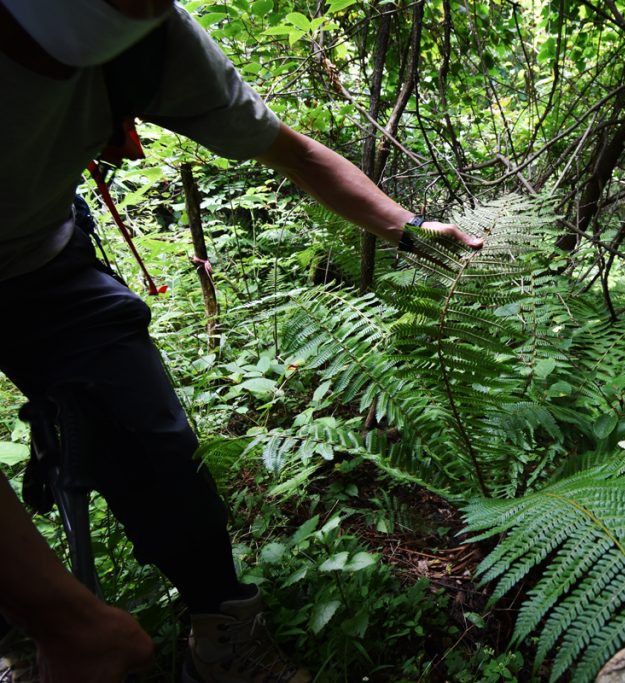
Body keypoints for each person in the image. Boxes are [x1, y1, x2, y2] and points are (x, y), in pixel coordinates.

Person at [0, 1, 483, 681]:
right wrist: (66, 623)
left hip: (42, 257)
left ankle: (222, 633)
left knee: (160, 447)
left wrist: (406, 225)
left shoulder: (150, 38)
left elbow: (289, 150)